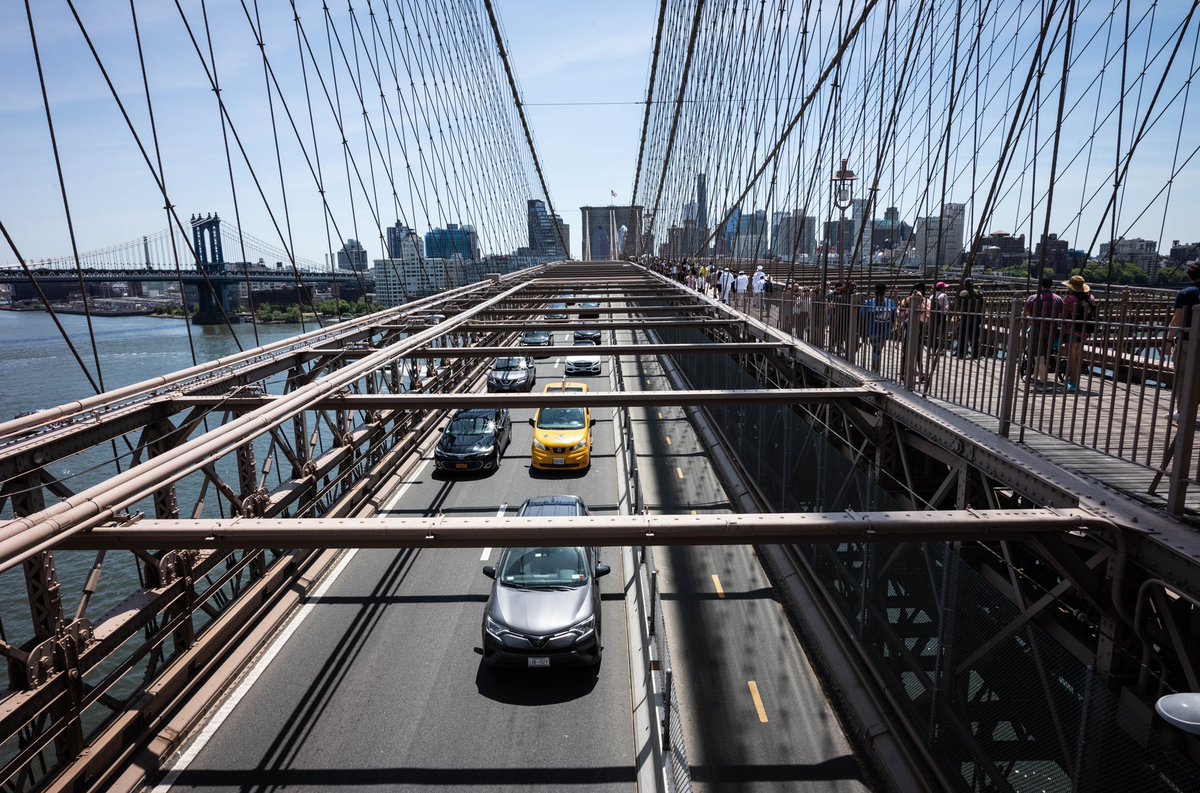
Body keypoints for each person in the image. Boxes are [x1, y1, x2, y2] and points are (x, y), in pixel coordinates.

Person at [1024, 275, 1065, 389]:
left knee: (1039, 357)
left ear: (1040, 285)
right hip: (1052, 331)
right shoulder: (1058, 299)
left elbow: (1026, 313)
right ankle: (1033, 376)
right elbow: (1061, 315)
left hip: (1037, 330)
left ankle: (1042, 383)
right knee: (1044, 356)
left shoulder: (1033, 298)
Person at [1060, 274, 1098, 393]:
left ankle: (1074, 383)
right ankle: (1072, 380)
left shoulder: (1070, 298)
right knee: (1077, 357)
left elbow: (1063, 314)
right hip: (1084, 331)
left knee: (1071, 357)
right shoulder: (1090, 297)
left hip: (1071, 330)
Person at [897, 282, 930, 382]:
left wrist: (920, 306)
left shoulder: (926, 301)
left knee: (918, 351)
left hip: (919, 327)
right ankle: (903, 372)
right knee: (905, 350)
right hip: (908, 326)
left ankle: (921, 373)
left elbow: (928, 312)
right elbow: (899, 312)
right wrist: (908, 310)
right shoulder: (906, 300)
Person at [860, 282, 896, 372]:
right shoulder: (870, 302)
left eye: (881, 293)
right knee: (877, 350)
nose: (879, 295)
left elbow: (894, 316)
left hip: (885, 332)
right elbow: (862, 317)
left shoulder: (890, 302)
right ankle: (875, 370)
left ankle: (875, 370)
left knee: (877, 350)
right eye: (877, 293)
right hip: (873, 332)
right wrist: (862, 332)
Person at [956, 278, 985, 359]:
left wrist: (959, 315)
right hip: (976, 316)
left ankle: (961, 354)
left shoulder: (963, 293)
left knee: (962, 335)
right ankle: (975, 354)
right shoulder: (978, 292)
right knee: (975, 336)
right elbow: (981, 304)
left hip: (965, 316)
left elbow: (959, 305)